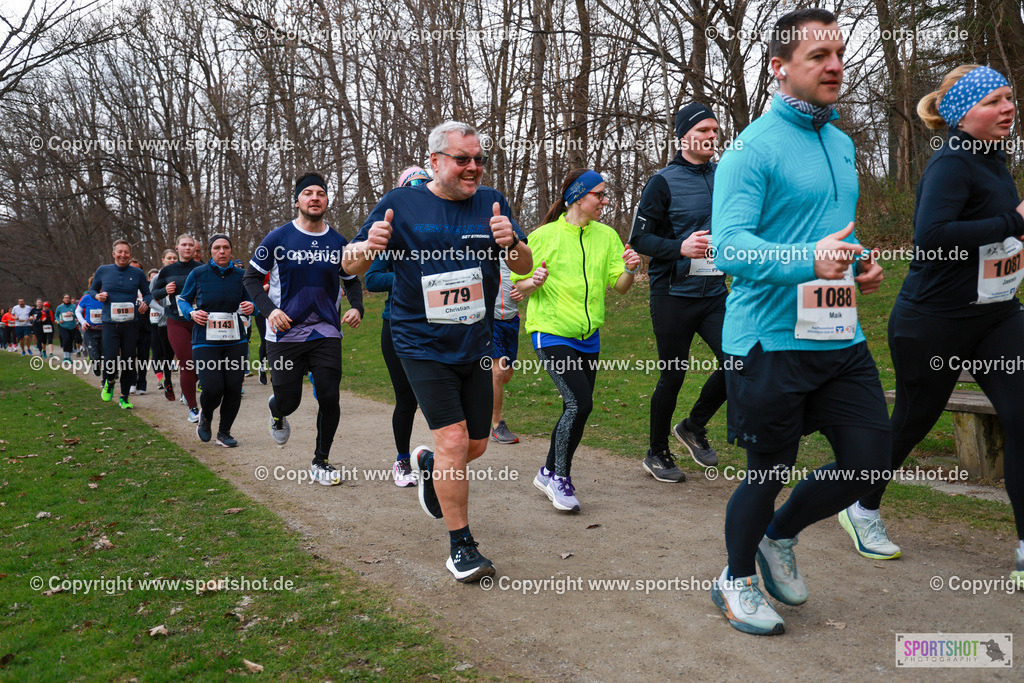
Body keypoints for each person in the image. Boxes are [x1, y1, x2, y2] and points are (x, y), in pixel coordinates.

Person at [708, 9, 888, 636]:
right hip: (768, 339)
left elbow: (836, 232)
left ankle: (778, 536)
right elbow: (728, 246)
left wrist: (859, 262)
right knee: (768, 470)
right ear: (779, 68)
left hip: (839, 333)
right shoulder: (749, 149)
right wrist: (806, 260)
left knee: (871, 460)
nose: (835, 64)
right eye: (818, 56)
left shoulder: (840, 143)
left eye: (838, 52)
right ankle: (735, 579)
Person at [838, 66, 1024, 588]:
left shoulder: (994, 157)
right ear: (964, 114)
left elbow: (991, 236)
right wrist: (1016, 223)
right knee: (911, 426)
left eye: (1010, 98)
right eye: (995, 101)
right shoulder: (951, 162)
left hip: (996, 316)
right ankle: (861, 505)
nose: (1008, 108)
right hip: (934, 322)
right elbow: (933, 238)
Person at [345, 121, 532, 583]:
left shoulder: (492, 203)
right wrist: (367, 248)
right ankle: (462, 547)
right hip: (419, 342)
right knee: (452, 440)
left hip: (475, 340)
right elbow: (351, 265)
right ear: (435, 161)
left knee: (476, 444)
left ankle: (429, 467)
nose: (473, 167)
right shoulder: (400, 203)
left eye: (479, 159)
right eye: (462, 159)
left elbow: (523, 263)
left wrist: (512, 244)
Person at [511, 169, 639, 511]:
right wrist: (532, 282)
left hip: (588, 337)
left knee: (579, 409)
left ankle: (547, 470)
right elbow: (516, 287)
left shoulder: (608, 236)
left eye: (605, 194)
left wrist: (631, 268)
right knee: (579, 403)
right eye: (599, 194)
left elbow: (620, 287)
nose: (605, 201)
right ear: (578, 197)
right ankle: (560, 480)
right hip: (550, 331)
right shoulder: (541, 237)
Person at [244, 172, 364, 485]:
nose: (314, 198)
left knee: (329, 395)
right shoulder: (278, 238)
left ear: (327, 201)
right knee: (290, 400)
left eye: (320, 194)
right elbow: (251, 278)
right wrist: (270, 311)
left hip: (325, 331)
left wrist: (356, 307)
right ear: (296, 200)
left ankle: (321, 460)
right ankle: (277, 409)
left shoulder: (339, 242)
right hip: (284, 333)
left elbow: (351, 280)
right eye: (307, 193)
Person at [630, 102, 728, 482]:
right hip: (673, 293)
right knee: (673, 374)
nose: (711, 137)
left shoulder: (725, 176)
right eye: (704, 130)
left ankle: (693, 425)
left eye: (715, 131)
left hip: (714, 292)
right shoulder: (663, 181)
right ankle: (656, 451)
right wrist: (680, 247)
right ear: (684, 135)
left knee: (740, 361)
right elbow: (640, 237)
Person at [364, 166, 432, 488]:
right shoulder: (390, 234)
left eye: (424, 189)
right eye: (413, 191)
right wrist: (410, 280)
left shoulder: (438, 231)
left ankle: (443, 459)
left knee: (441, 397)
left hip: (437, 326)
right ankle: (403, 460)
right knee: (407, 399)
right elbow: (372, 278)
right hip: (397, 326)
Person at [178, 234, 254, 447]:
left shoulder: (241, 275)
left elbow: (253, 301)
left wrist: (252, 308)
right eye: (217, 248)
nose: (222, 251)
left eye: (226, 248)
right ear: (210, 251)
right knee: (212, 388)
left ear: (231, 250)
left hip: (235, 340)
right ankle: (206, 416)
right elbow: (183, 300)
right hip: (205, 341)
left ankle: (224, 432)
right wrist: (191, 314)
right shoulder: (198, 273)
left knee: (233, 388)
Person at [90, 239, 152, 408]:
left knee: (129, 360)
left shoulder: (137, 273)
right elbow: (92, 290)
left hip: (131, 324)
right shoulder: (103, 270)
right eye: (120, 251)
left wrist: (145, 304)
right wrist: (97, 296)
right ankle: (109, 381)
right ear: (114, 254)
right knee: (110, 357)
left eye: (126, 252)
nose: (123, 255)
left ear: (130, 255)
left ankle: (124, 396)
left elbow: (148, 294)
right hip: (110, 323)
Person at [151, 235, 202, 421]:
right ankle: (193, 408)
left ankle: (187, 390)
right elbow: (154, 293)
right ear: (177, 247)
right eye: (184, 245)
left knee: (199, 363)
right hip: (176, 320)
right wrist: (166, 291)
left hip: (200, 320)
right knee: (187, 361)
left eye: (191, 245)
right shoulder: (167, 271)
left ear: (195, 248)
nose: (187, 248)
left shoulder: (202, 268)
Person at [129, 258, 151, 395]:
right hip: (129, 326)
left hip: (145, 327)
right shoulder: (124, 286)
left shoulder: (147, 285)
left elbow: (153, 300)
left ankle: (142, 383)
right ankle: (131, 382)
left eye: (138, 269)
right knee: (130, 356)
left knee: (143, 357)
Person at [76, 283, 104, 377]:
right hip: (90, 330)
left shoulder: (107, 297)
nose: (99, 289)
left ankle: (112, 372)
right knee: (94, 353)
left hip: (105, 330)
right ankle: (95, 364)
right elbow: (78, 311)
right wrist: (83, 322)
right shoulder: (86, 298)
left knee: (107, 353)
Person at [55, 294, 78, 364]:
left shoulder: (74, 307)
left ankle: (69, 357)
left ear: (70, 299)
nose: (67, 299)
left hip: (72, 326)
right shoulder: (60, 307)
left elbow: (78, 314)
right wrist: (59, 320)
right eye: (65, 298)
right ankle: (65, 357)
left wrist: (73, 314)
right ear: (63, 299)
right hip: (63, 326)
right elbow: (56, 315)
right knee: (66, 339)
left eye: (68, 298)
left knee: (70, 341)